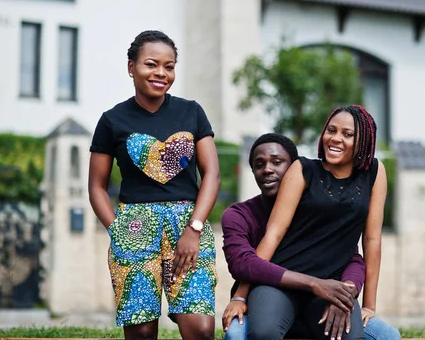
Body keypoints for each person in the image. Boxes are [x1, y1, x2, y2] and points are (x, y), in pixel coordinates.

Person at [88, 30, 219, 340]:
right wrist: (116, 229)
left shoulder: (192, 112)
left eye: (169, 66)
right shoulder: (112, 120)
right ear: (131, 67)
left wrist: (194, 228)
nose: (161, 73)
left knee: (200, 328)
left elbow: (212, 174)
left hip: (188, 225)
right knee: (142, 333)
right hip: (134, 227)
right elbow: (96, 186)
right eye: (151, 64)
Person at [222, 132, 399, 340]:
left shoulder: (317, 208)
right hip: (269, 305)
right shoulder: (238, 215)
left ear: (295, 169)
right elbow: (244, 264)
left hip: (319, 304)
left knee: (387, 335)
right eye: (259, 164)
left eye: (277, 162)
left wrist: (345, 293)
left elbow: (352, 256)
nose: (267, 169)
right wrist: (239, 296)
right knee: (236, 335)